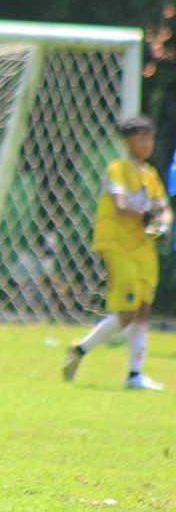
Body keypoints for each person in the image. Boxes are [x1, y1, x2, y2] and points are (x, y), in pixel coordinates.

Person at [63, 116, 173, 389]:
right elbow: (121, 205)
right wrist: (150, 217)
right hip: (118, 245)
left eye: (149, 138)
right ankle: (81, 349)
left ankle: (134, 374)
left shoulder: (150, 174)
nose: (147, 144)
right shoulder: (118, 168)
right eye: (141, 138)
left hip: (143, 248)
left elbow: (164, 207)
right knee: (128, 311)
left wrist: (165, 223)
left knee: (144, 308)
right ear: (127, 142)